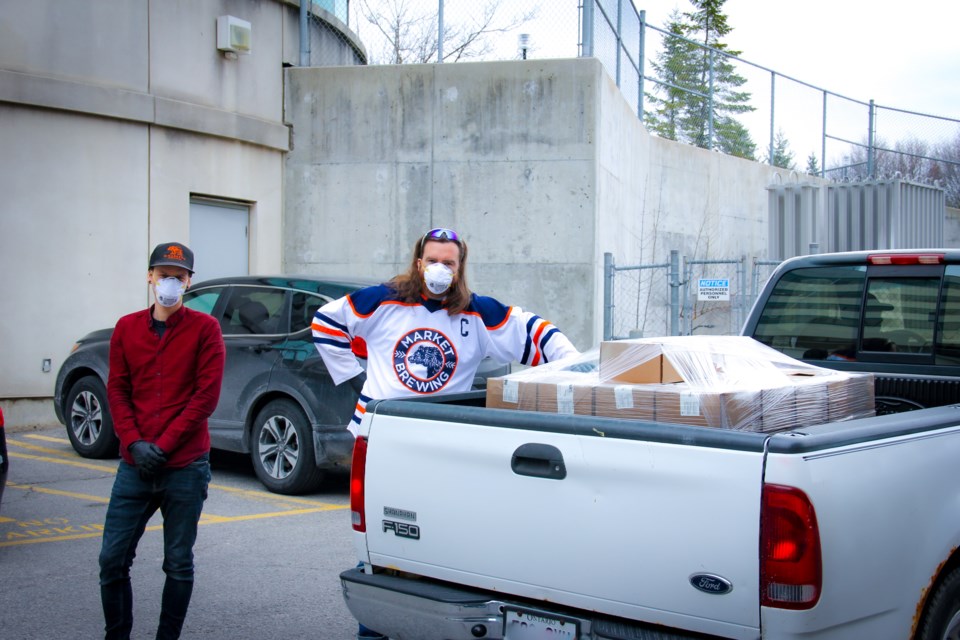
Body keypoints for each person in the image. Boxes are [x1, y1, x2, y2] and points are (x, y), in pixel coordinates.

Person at [311, 227, 580, 639]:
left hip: (444, 444)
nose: (439, 269)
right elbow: (327, 323)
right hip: (384, 438)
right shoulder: (382, 300)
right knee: (381, 541)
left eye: (448, 263)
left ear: (459, 268)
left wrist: (575, 368)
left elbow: (536, 333)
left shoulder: (476, 313)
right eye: (432, 260)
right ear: (418, 262)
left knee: (441, 541)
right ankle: (376, 624)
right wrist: (358, 379)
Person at [99, 242, 226, 640]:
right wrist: (134, 443)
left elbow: (205, 397)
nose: (170, 281)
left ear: (189, 281)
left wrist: (164, 446)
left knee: (177, 562)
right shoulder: (126, 328)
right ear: (150, 277)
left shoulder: (206, 329)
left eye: (179, 275)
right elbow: (117, 389)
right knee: (112, 560)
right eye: (163, 273)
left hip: (185, 467)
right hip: (135, 466)